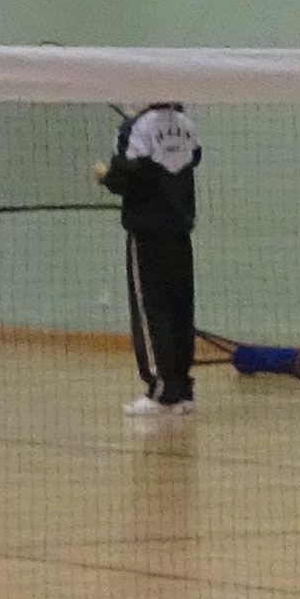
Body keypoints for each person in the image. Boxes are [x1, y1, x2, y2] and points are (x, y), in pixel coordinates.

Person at [98, 98, 200, 419]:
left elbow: (124, 176)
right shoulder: (186, 124)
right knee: (180, 310)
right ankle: (182, 389)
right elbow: (193, 158)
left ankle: (160, 390)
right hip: (180, 231)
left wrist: (105, 176)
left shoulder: (135, 128)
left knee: (151, 311)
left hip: (147, 234)